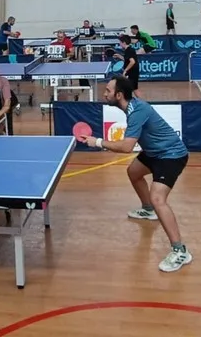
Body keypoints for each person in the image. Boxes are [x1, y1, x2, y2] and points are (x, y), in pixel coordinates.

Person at [81, 76, 192, 272]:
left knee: (158, 199)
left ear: (119, 95)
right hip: (153, 152)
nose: (104, 94)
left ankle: (180, 251)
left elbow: (126, 147)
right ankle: (148, 210)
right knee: (133, 172)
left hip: (171, 155)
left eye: (108, 91)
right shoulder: (131, 107)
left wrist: (97, 142)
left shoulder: (137, 111)